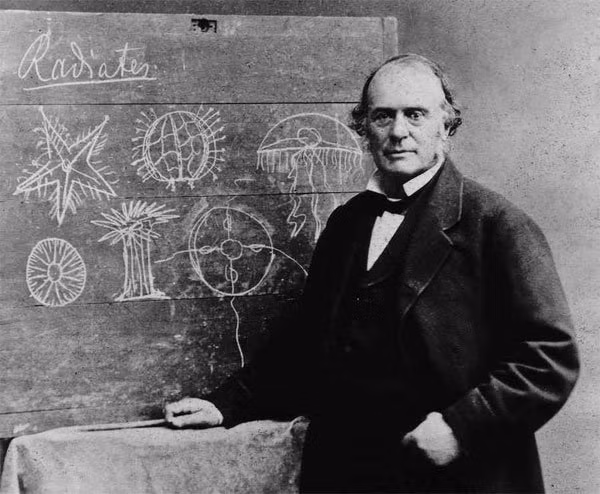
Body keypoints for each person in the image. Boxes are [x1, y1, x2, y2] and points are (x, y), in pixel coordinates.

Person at [165, 54, 579, 493]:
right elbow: (306, 343)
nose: (398, 131)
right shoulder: (347, 224)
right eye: (383, 116)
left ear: (445, 125)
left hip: (459, 477)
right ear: (364, 128)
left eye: (415, 114)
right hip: (350, 472)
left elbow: (549, 358)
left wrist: (460, 427)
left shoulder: (497, 225)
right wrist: (228, 404)